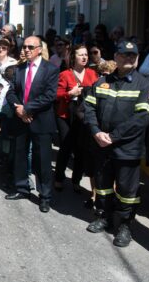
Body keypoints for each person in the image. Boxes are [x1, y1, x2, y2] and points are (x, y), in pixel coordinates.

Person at [83, 41, 149, 247]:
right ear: (116, 57)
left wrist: (113, 136)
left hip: (127, 149)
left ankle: (125, 225)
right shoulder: (102, 81)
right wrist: (96, 132)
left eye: (133, 55)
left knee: (127, 191)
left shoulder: (143, 85)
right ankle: (105, 217)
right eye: (124, 55)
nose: (129, 58)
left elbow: (143, 117)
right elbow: (88, 108)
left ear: (137, 59)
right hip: (102, 146)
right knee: (103, 186)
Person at [5, 36, 59, 213]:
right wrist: (18, 109)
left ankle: (45, 196)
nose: (26, 50)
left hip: (41, 120)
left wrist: (27, 109)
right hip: (21, 119)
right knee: (20, 154)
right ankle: (22, 188)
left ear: (39, 49)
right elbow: (11, 92)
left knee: (42, 159)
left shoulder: (50, 69)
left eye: (30, 47)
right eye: (25, 47)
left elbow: (49, 96)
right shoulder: (19, 69)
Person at [54, 44, 98, 191]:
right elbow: (57, 95)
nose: (84, 57)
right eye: (81, 54)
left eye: (86, 54)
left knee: (81, 149)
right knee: (66, 147)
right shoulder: (65, 74)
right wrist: (70, 93)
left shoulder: (92, 73)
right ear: (74, 57)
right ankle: (59, 178)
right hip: (66, 115)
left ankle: (76, 180)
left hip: (83, 115)